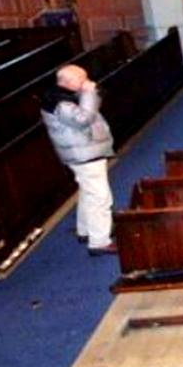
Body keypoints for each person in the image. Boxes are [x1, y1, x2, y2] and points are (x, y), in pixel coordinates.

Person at [41, 64, 117, 256]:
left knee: (88, 190)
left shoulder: (62, 95)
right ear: (67, 82)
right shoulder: (61, 103)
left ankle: (85, 230)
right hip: (84, 154)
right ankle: (99, 241)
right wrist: (90, 93)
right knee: (100, 197)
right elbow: (83, 119)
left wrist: (87, 92)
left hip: (84, 151)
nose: (86, 82)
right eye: (81, 80)